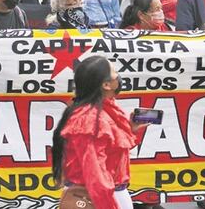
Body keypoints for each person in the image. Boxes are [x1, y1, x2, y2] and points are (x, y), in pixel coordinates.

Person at [51, 56, 143, 209]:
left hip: (112, 193)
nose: (119, 77)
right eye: (115, 73)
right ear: (106, 85)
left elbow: (112, 155)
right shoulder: (90, 121)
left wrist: (131, 130)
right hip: (96, 197)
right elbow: (96, 176)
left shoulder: (107, 109)